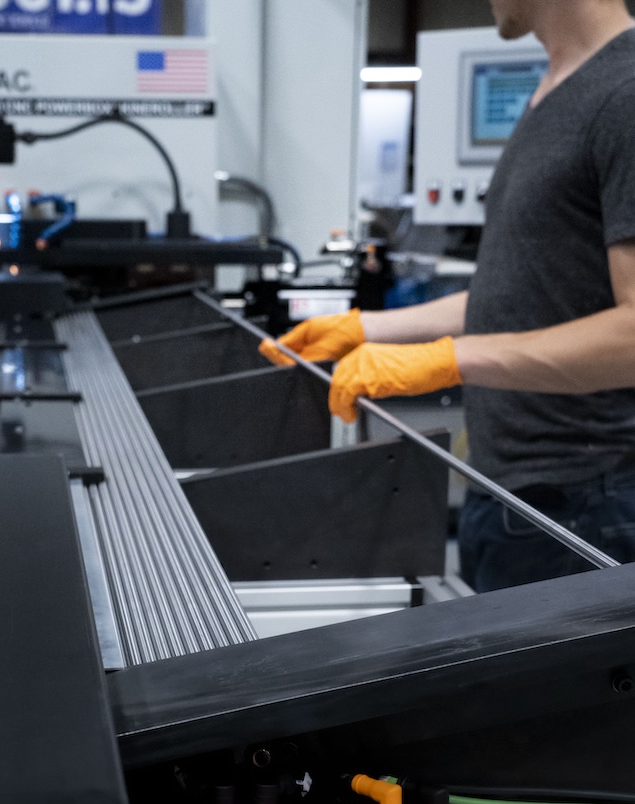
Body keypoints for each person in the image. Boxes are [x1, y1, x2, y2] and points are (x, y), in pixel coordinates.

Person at [259, 0, 635, 593]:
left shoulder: (625, 93)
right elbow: (520, 291)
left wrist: (444, 361)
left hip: (586, 503)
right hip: (508, 493)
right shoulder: (556, 92)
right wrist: (370, 328)